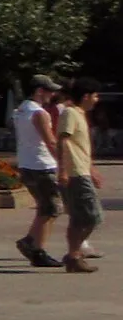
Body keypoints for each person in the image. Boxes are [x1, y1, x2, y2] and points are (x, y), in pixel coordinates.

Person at [12, 75, 65, 268]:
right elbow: (50, 141)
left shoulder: (20, 110)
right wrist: (64, 163)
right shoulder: (40, 113)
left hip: (27, 164)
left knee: (44, 207)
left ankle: (30, 242)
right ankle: (37, 249)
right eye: (49, 90)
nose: (52, 94)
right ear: (39, 91)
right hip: (43, 165)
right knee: (51, 209)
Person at [58, 78, 104, 275]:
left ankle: (74, 256)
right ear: (85, 96)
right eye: (95, 95)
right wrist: (63, 170)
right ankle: (74, 254)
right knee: (92, 216)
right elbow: (62, 140)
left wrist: (91, 169)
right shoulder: (69, 113)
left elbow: (79, 146)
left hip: (81, 170)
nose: (97, 99)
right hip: (75, 173)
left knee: (80, 217)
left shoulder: (79, 114)